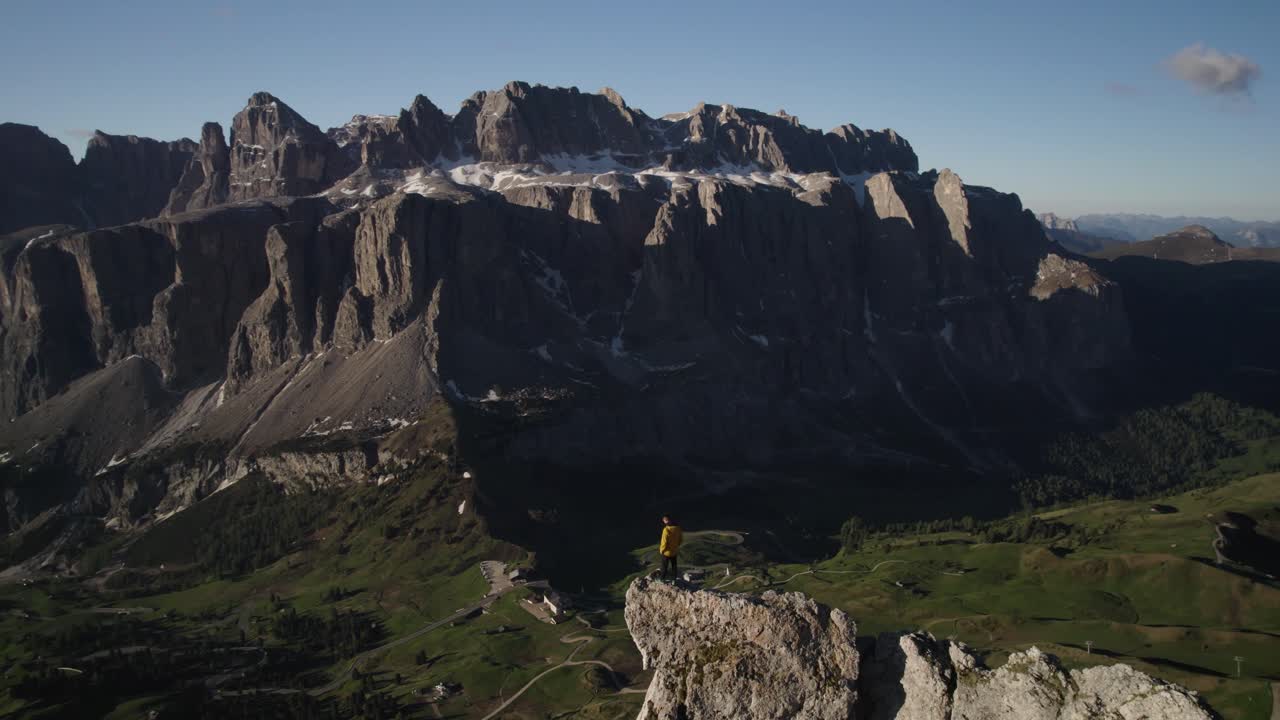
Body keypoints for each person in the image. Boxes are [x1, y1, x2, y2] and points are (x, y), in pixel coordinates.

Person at [659, 515, 683, 581]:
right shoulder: (678, 528)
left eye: (664, 521)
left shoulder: (666, 530)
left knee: (664, 566)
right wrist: (676, 546)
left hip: (666, 552)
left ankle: (662, 579)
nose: (664, 522)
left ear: (666, 520)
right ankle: (674, 579)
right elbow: (680, 539)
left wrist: (662, 550)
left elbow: (664, 542)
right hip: (674, 551)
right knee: (674, 566)